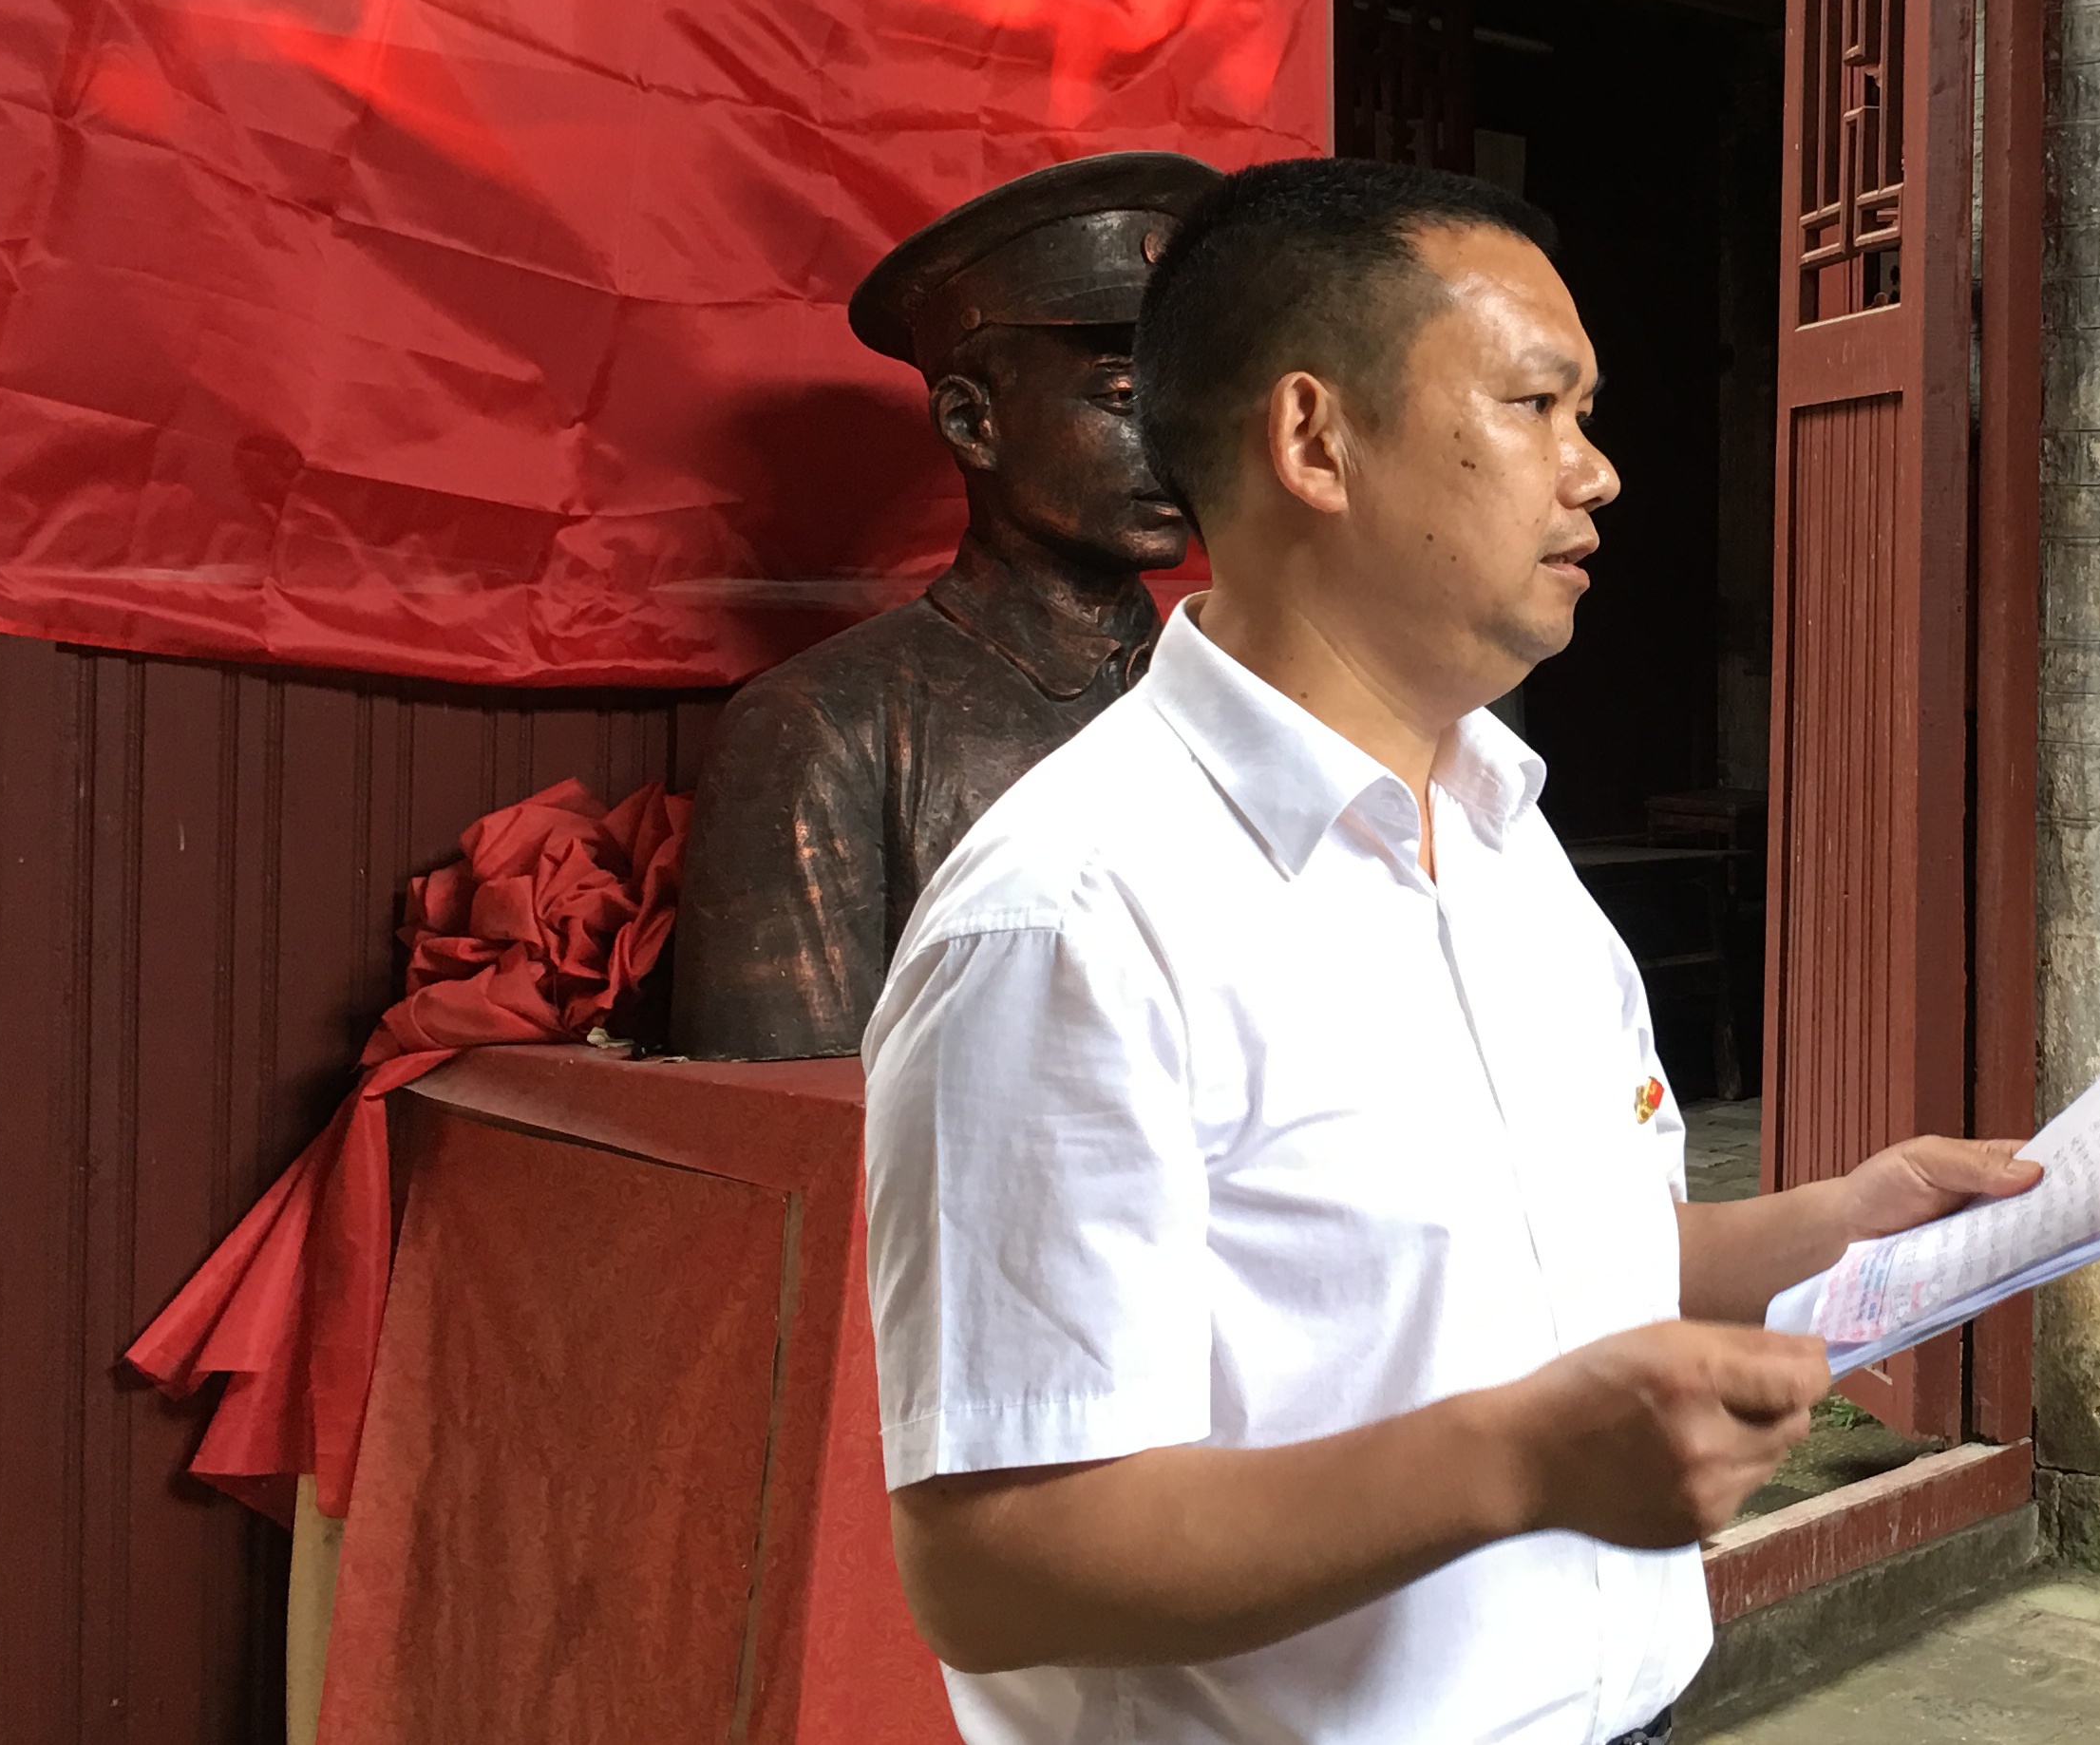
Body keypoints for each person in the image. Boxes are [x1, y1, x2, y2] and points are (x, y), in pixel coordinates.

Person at [862, 158, 2037, 1745]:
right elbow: (995, 1568)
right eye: (1537, 404)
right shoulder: (1072, 915)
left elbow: (1544, 1256)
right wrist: (1512, 1462)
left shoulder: (1496, 827)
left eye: (1584, 412)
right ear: (1313, 439)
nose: (1594, 471)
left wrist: (1835, 1227)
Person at [672, 150, 1220, 1060]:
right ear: (972, 422)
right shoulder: (823, 727)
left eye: (1185, 400)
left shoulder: (1233, 697)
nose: (1170, 444)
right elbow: (790, 1117)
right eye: (1123, 397)